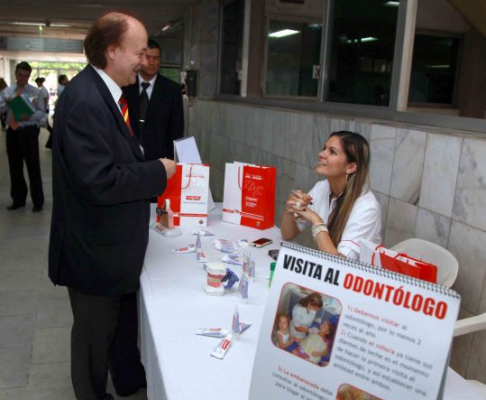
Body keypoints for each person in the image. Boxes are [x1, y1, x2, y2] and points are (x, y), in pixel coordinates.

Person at [48, 11, 176, 400]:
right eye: (138, 53)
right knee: (92, 340)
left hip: (112, 249)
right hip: (93, 252)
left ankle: (125, 380)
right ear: (112, 50)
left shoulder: (109, 94)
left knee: (116, 329)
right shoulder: (86, 99)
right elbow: (99, 181)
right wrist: (157, 171)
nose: (144, 61)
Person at [281, 131, 381, 260]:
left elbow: (339, 264)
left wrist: (316, 220)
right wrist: (290, 209)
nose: (321, 154)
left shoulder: (367, 207)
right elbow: (287, 234)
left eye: (332, 152)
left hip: (350, 277)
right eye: (324, 149)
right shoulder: (321, 187)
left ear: (351, 167)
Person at [123, 39, 184, 163]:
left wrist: (171, 160)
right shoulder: (125, 86)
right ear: (140, 59)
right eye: (148, 57)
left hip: (158, 160)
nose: (152, 62)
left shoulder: (172, 90)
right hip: (127, 158)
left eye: (156, 58)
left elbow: (176, 129)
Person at [0, 62, 45, 212]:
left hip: (29, 131)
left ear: (29, 76)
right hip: (12, 131)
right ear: (15, 74)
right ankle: (18, 199)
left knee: (33, 166)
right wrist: (7, 104)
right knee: (15, 167)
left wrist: (30, 117)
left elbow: (41, 112)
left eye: (26, 76)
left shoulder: (35, 92)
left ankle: (37, 201)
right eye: (20, 75)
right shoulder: (7, 91)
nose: (23, 79)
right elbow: (1, 109)